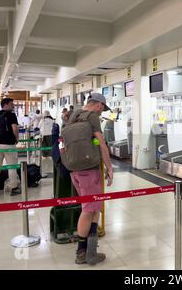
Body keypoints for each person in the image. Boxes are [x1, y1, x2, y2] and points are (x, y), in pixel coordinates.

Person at [68, 93, 113, 265]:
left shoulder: (74, 115)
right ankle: (82, 253)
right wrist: (109, 167)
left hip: (75, 170)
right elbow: (101, 143)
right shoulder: (93, 117)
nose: (102, 113)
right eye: (103, 109)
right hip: (89, 171)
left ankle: (91, 250)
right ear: (99, 105)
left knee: (93, 208)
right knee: (88, 210)